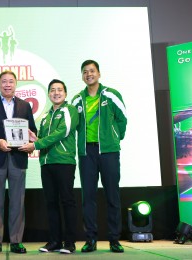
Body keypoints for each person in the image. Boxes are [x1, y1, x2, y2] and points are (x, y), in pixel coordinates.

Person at [71, 60, 127, 253]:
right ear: (82, 76)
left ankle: (114, 239)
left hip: (109, 151)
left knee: (113, 195)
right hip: (87, 153)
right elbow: (71, 126)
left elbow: (122, 119)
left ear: (99, 73)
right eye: (85, 72)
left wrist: (113, 137)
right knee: (88, 197)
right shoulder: (77, 99)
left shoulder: (111, 94)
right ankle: (91, 239)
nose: (89, 74)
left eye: (92, 71)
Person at [0, 70, 37, 254]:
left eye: (11, 81)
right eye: (4, 81)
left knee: (17, 201)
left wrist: (33, 137)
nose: (7, 84)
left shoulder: (25, 106)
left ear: (16, 84)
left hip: (18, 158)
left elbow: (32, 130)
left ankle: (16, 241)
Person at [19, 79, 79, 254]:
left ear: (65, 93)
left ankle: (70, 243)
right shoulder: (45, 116)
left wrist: (36, 145)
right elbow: (43, 141)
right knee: (51, 203)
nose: (56, 93)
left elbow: (62, 132)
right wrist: (34, 139)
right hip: (46, 163)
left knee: (67, 201)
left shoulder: (70, 110)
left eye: (60, 90)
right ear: (49, 94)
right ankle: (54, 241)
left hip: (64, 162)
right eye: (52, 90)